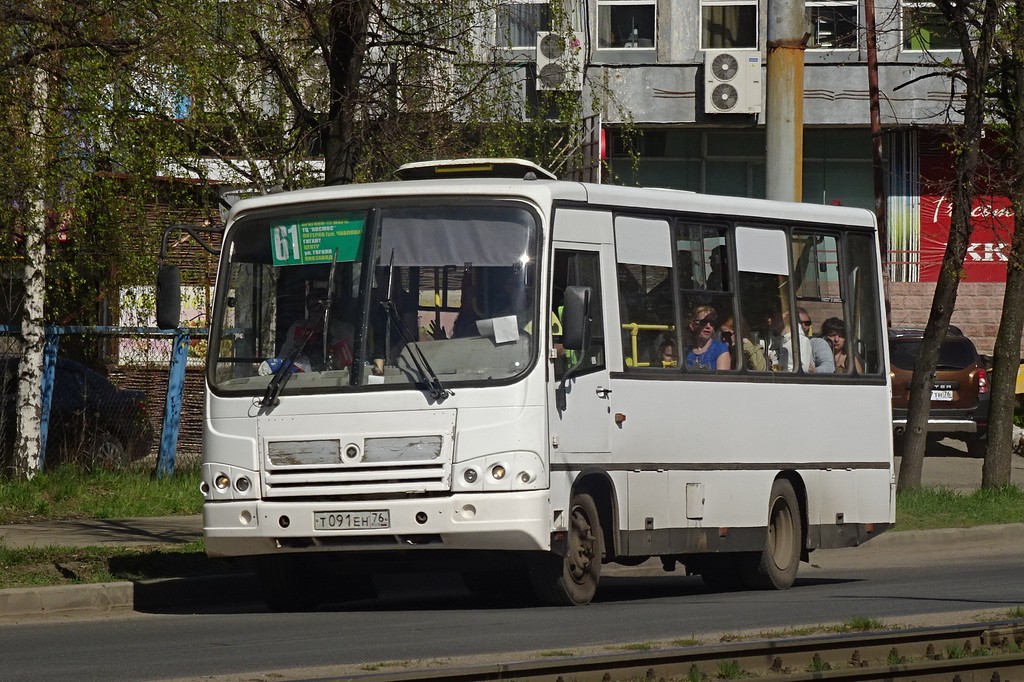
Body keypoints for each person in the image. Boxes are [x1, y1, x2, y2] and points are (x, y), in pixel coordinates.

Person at [279, 288, 355, 370]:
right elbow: (283, 359)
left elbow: (359, 364)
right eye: (312, 308)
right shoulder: (297, 329)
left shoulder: (346, 331)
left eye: (321, 309)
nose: (317, 312)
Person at [685, 305, 731, 370]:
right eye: (704, 322)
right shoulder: (685, 352)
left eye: (712, 322)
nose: (708, 326)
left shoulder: (720, 349)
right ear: (692, 325)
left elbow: (723, 378)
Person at [798, 307, 835, 374]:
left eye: (807, 323)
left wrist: (814, 370)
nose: (804, 327)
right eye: (800, 323)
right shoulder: (780, 342)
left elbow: (829, 366)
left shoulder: (817, 343)